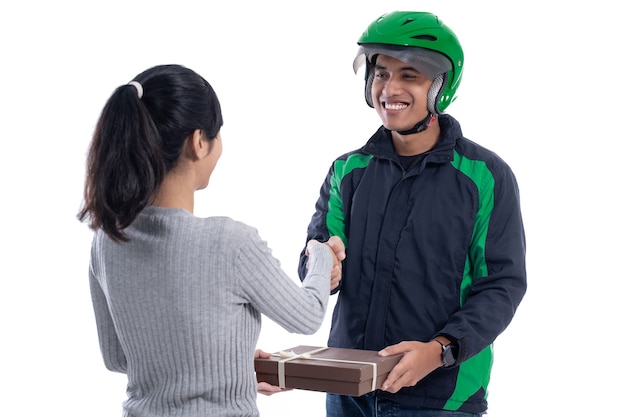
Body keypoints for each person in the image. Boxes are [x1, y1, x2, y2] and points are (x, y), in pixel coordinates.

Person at [77, 64, 345, 417]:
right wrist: (321, 254)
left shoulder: (106, 241)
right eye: (217, 135)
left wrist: (226, 363)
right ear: (199, 142)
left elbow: (119, 358)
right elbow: (307, 315)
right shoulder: (228, 243)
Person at [298, 11, 527, 416]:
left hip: (439, 397)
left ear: (441, 86)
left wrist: (440, 351)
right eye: (381, 74)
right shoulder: (347, 171)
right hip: (350, 390)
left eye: (409, 76)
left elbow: (502, 286)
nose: (390, 88)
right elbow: (318, 252)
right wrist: (323, 265)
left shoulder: (484, 177)